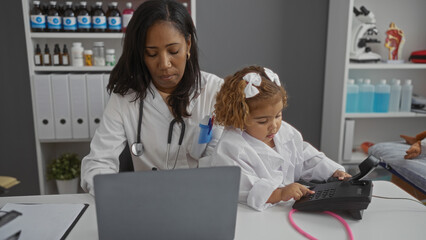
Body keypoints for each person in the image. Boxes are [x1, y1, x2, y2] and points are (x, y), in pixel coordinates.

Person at [81, 0, 223, 195]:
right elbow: (97, 163)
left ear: (188, 45)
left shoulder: (216, 91)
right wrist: (114, 194)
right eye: (152, 53)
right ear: (141, 54)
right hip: (145, 201)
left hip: (202, 198)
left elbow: (229, 158)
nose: (164, 64)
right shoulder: (125, 99)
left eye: (173, 51)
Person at [212, 66, 351, 211]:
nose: (274, 126)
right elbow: (242, 188)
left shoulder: (286, 132)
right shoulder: (230, 148)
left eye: (278, 116)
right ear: (238, 118)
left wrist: (333, 171)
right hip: (250, 215)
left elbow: (305, 157)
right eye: (262, 121)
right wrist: (280, 193)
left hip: (284, 211)